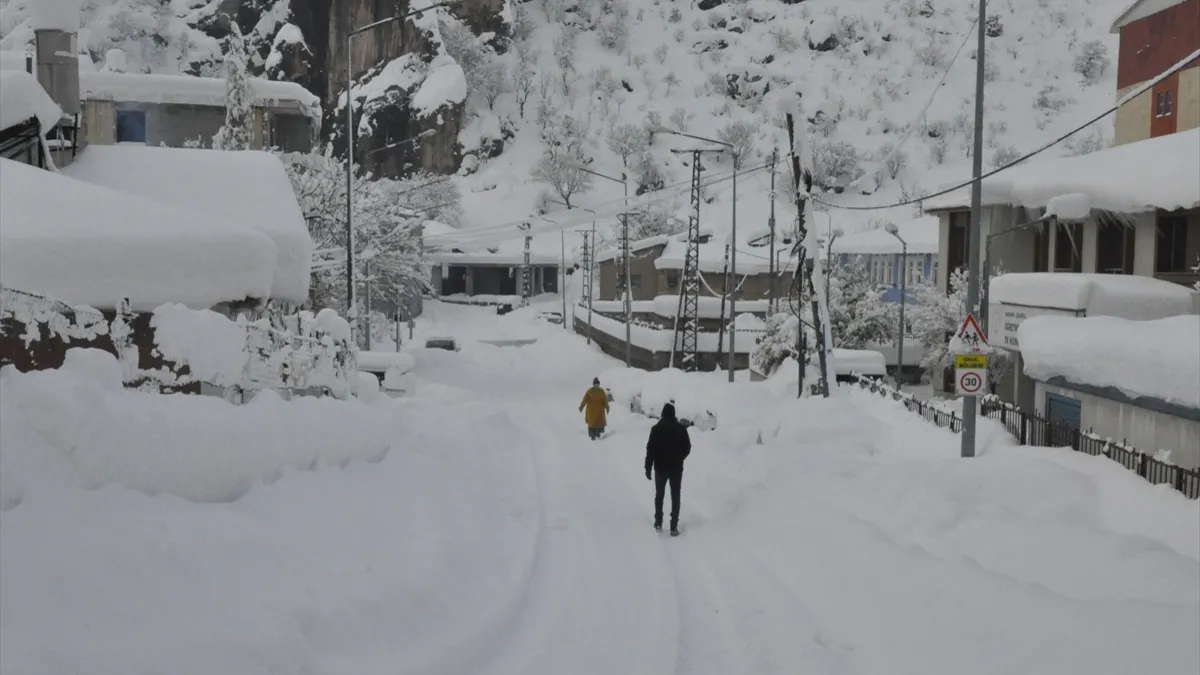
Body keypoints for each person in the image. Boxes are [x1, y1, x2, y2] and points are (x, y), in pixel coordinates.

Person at [644, 402, 691, 535]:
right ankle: (673, 526)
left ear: (663, 414)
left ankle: (658, 522)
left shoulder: (656, 429)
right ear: (674, 414)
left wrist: (648, 467)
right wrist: (680, 458)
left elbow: (650, 450)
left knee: (659, 495)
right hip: (676, 468)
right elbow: (687, 447)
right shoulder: (681, 429)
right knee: (675, 496)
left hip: (660, 468)